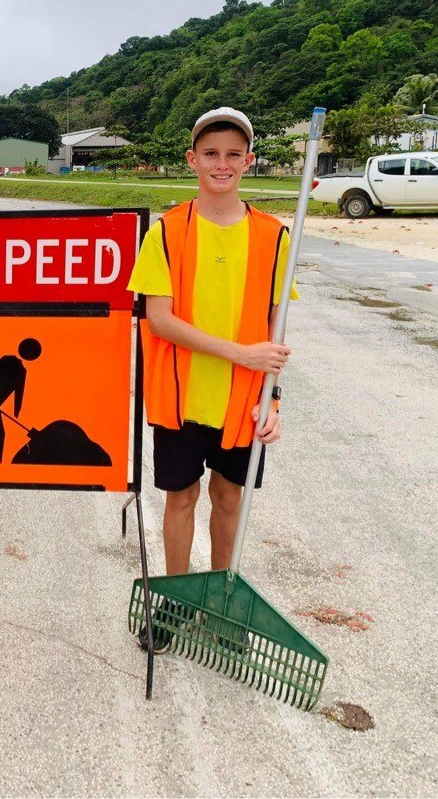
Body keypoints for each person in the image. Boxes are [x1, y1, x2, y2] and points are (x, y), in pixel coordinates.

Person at [126, 107, 296, 651]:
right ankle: (175, 601)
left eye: (232, 154)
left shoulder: (274, 237)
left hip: (243, 403)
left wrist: (274, 399)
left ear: (249, 161)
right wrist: (241, 354)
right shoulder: (167, 232)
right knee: (180, 499)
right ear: (192, 160)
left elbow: (277, 332)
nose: (221, 163)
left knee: (229, 497)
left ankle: (222, 605)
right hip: (180, 398)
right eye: (211, 153)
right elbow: (160, 319)